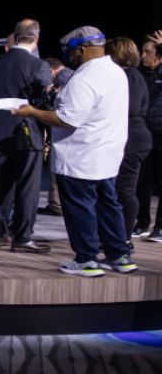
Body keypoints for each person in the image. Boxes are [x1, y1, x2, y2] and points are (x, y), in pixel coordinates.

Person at [11, 26, 136, 275]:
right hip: (107, 154)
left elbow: (67, 120)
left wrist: (31, 112)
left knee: (80, 207)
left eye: (71, 52)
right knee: (108, 205)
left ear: (81, 49)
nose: (70, 57)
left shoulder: (85, 78)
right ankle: (120, 255)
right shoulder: (116, 72)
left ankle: (86, 258)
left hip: (81, 157)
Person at [0, 19, 53, 253]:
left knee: (1, 186)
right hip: (26, 133)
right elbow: (43, 101)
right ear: (36, 38)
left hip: (0, 133)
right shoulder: (38, 66)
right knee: (28, 189)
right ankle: (22, 238)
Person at [106, 38, 152, 250]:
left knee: (124, 190)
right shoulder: (133, 76)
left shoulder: (128, 77)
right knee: (120, 189)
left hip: (131, 138)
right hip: (132, 136)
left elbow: (130, 109)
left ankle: (123, 239)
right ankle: (117, 236)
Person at [134, 30, 162, 241]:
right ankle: (142, 222)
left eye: (148, 52)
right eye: (142, 51)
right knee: (141, 181)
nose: (143, 55)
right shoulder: (138, 74)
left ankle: (160, 227)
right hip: (144, 134)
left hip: (161, 134)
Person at [39, 57, 73, 216]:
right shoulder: (72, 75)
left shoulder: (61, 79)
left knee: (57, 166)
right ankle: (56, 203)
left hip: (61, 130)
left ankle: (56, 204)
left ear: (51, 71)